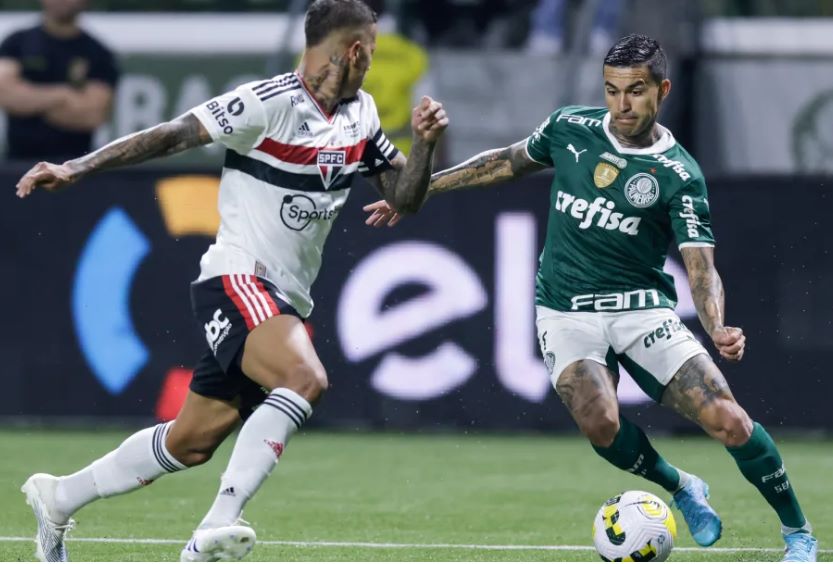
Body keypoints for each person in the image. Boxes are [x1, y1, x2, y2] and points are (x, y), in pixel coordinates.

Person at [15, 0, 447, 561]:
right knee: (305, 375)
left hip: (284, 295)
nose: (372, 62)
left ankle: (58, 497)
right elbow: (172, 134)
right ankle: (216, 526)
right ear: (356, 50)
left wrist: (426, 145)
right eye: (372, 50)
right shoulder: (265, 103)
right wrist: (76, 166)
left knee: (191, 441)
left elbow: (402, 199)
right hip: (238, 278)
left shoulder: (361, 114)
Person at [364, 34, 817, 562]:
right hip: (566, 310)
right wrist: (418, 191)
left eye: (635, 91)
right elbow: (501, 163)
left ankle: (798, 534)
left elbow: (702, 269)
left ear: (661, 91)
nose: (622, 104)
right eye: (612, 90)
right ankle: (681, 486)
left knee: (730, 421)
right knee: (600, 421)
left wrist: (715, 324)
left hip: (642, 309)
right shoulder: (569, 128)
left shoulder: (679, 174)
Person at [0, 0, 119, 161]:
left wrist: (30, 101)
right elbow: (6, 96)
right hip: (18, 164)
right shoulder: (17, 43)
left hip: (75, 168)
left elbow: (93, 115)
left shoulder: (98, 53)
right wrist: (64, 95)